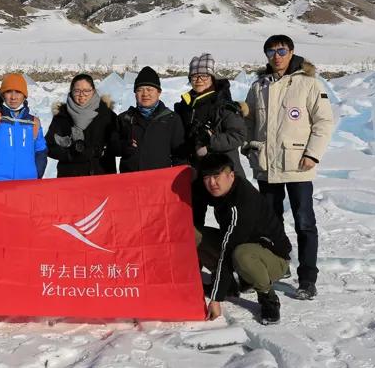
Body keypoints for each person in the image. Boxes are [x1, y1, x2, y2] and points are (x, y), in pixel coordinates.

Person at [244, 35, 334, 301]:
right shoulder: (258, 86)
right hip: (267, 164)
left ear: (292, 51)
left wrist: (313, 155)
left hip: (298, 163)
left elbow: (324, 122)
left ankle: (307, 278)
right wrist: (250, 148)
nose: (276, 56)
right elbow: (249, 121)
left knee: (304, 221)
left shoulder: (308, 84)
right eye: (271, 51)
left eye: (281, 50)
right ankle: (277, 267)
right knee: (270, 222)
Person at [198, 153, 292, 325]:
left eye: (217, 176)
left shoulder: (240, 203)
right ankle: (229, 286)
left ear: (231, 175)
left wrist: (215, 298)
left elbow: (227, 250)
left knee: (242, 254)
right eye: (207, 177)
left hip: (273, 259)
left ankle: (267, 297)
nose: (212, 183)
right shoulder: (222, 189)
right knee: (195, 235)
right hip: (241, 247)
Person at [173, 53, 248, 235]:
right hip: (195, 174)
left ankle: (231, 260)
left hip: (222, 173)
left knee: (230, 223)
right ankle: (194, 262)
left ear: (212, 77)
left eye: (203, 76)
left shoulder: (223, 105)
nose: (198, 80)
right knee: (192, 225)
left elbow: (239, 135)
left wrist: (211, 142)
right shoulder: (185, 106)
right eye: (194, 76)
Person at [112, 66, 186, 173]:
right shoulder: (124, 118)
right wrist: (123, 146)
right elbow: (112, 148)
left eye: (149, 89)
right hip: (130, 183)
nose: (145, 94)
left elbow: (180, 155)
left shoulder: (171, 119)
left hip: (159, 182)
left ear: (159, 92)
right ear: (135, 94)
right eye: (140, 90)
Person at [46, 73, 117, 177]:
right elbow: (49, 146)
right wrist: (70, 154)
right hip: (70, 179)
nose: (82, 94)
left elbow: (118, 144)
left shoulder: (106, 115)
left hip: (101, 177)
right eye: (77, 90)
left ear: (93, 91)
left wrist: (98, 150)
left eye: (86, 90)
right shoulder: (62, 116)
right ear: (71, 91)